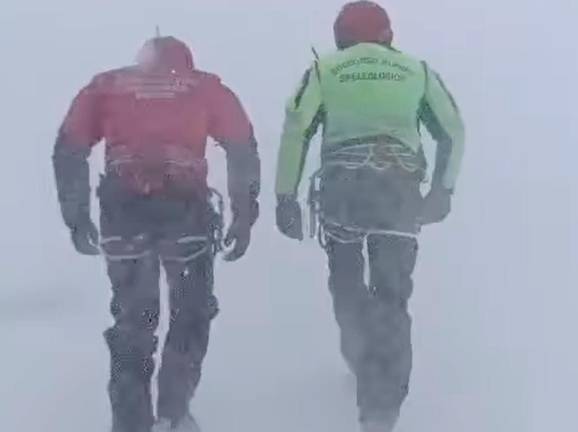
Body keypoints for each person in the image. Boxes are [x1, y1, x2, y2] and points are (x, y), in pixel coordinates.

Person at [274, 2, 465, 431]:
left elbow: (296, 127)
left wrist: (284, 196)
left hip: (344, 193)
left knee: (346, 281)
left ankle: (358, 352)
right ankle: (381, 408)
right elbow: (452, 129)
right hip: (396, 192)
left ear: (340, 36)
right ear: (389, 36)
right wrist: (442, 190)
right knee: (391, 297)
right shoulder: (417, 71)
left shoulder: (324, 70)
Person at [53, 36, 260, 432]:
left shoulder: (106, 86)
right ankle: (173, 411)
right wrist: (243, 215)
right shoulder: (205, 87)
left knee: (134, 319)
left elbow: (69, 149)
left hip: (123, 213)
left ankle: (131, 421)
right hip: (185, 213)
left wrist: (76, 216)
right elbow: (241, 149)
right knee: (191, 311)